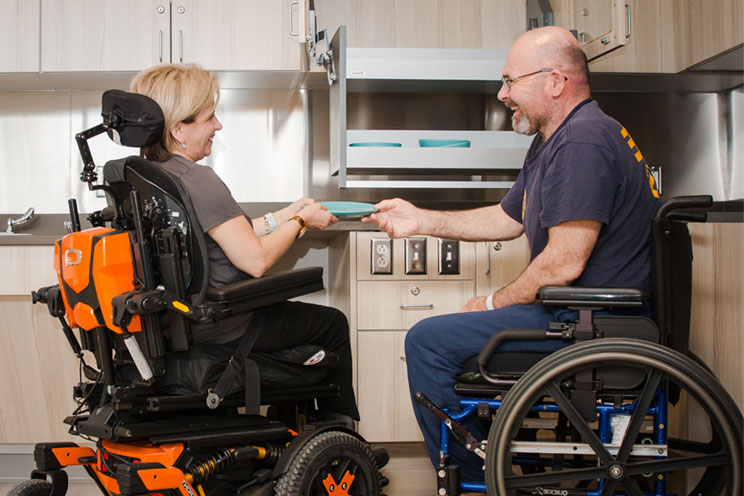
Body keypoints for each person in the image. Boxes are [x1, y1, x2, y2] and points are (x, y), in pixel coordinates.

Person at [363, 26, 660, 483]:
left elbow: (564, 263)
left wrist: (491, 302)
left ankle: (480, 476)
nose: (502, 94)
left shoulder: (584, 142)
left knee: (428, 342)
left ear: (555, 81)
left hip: (589, 325)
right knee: (444, 335)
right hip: (573, 314)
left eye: (510, 81)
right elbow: (508, 218)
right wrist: (422, 220)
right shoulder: (554, 141)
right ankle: (502, 463)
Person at [129, 63, 359, 423]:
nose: (217, 126)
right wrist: (304, 221)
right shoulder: (199, 179)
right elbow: (255, 260)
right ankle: (339, 433)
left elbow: (222, 236)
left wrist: (287, 214)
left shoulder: (152, 177)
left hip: (179, 322)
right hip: (224, 325)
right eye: (209, 117)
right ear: (178, 130)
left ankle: (290, 427)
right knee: (331, 323)